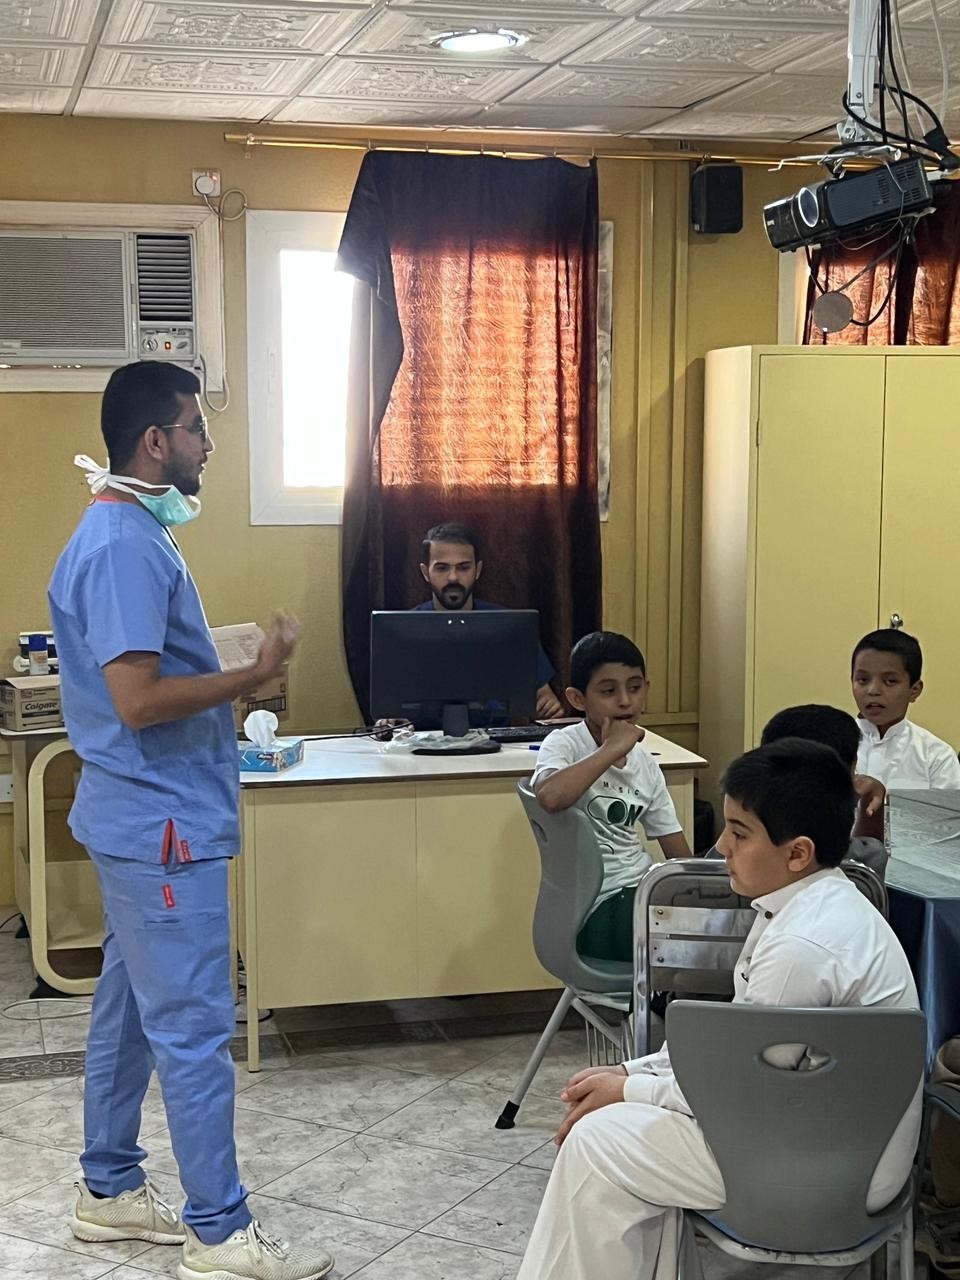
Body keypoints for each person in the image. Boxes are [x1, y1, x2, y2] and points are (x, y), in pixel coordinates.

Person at [49, 361, 333, 1280]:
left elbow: (145, 672)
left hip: (143, 817)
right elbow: (136, 700)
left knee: (132, 1013)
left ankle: (108, 1190)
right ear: (155, 441)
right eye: (196, 428)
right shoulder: (124, 543)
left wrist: (225, 660)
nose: (208, 444)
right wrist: (252, 675)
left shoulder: (129, 531)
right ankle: (218, 1230)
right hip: (160, 824)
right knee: (193, 1028)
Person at [517, 739, 921, 1280]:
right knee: (615, 1128)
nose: (722, 846)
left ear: (797, 853)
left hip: (830, 1172)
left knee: (598, 1143)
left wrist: (630, 1090)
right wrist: (630, 1073)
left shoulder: (802, 946)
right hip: (828, 1142)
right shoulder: (814, 904)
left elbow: (738, 1091)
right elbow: (730, 1054)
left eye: (739, 833)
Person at [532, 631, 691, 962]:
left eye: (634, 688)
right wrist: (611, 750)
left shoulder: (647, 766)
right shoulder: (565, 744)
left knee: (714, 926)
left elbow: (677, 855)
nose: (625, 701)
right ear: (578, 699)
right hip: (592, 905)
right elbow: (549, 796)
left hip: (639, 891)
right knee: (691, 950)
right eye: (608, 691)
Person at [702, 704, 889, 878]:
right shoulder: (863, 859)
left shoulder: (722, 855)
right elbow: (874, 857)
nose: (722, 845)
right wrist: (867, 803)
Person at [416, 522, 563, 718]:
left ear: (477, 571)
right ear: (426, 572)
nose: (453, 577)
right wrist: (389, 718)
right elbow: (390, 703)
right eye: (442, 568)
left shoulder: (509, 627)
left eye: (463, 567)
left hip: (496, 736)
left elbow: (543, 696)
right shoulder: (407, 629)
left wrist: (547, 706)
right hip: (421, 736)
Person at [852, 628, 960, 789]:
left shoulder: (937, 757)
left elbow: (946, 806)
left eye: (890, 681)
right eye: (863, 680)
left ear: (914, 690)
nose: (873, 690)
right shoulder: (830, 745)